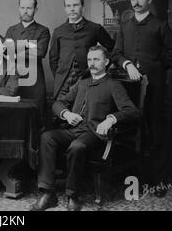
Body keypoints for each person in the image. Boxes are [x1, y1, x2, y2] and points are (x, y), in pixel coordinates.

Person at [30, 45, 139, 211]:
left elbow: (132, 111)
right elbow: (58, 103)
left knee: (77, 146)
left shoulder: (113, 85)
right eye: (89, 60)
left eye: (96, 59)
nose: (92, 63)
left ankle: (72, 195)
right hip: (73, 129)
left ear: (107, 62)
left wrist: (111, 119)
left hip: (94, 133)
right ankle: (48, 193)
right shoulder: (82, 83)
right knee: (47, 137)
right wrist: (66, 114)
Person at [112, 0, 172, 196]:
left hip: (154, 87)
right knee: (128, 130)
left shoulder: (160, 25)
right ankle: (128, 176)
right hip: (128, 89)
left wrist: (155, 65)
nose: (136, 2)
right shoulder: (124, 26)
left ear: (149, 0)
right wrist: (127, 64)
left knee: (155, 131)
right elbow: (116, 53)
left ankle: (157, 182)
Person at [49, 0, 115, 101]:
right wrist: (59, 76)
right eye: (68, 6)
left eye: (75, 5)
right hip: (63, 83)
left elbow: (113, 48)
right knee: (61, 111)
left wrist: (102, 67)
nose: (72, 9)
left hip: (87, 79)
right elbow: (53, 59)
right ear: (65, 9)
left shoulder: (95, 28)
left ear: (83, 8)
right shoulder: (58, 31)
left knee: (83, 111)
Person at [5, 0, 50, 124]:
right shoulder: (11, 30)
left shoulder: (43, 30)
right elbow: (6, 52)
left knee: (36, 116)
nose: (25, 11)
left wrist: (16, 47)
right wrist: (28, 45)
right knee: (15, 117)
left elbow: (40, 52)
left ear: (35, 10)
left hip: (35, 80)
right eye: (22, 7)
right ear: (19, 9)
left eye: (29, 8)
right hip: (14, 79)